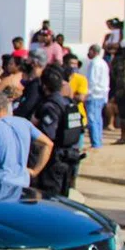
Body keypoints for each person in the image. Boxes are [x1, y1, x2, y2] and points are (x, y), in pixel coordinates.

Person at [32, 66, 84, 197]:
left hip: (56, 162)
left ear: (44, 86)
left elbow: (47, 137)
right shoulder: (68, 103)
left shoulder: (51, 106)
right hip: (69, 158)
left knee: (51, 200)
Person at [84, 45, 110, 150]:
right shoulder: (103, 63)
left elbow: (92, 80)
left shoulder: (94, 63)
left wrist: (87, 93)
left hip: (94, 94)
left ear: (94, 51)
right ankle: (98, 140)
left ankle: (95, 143)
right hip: (102, 94)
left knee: (93, 119)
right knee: (98, 119)